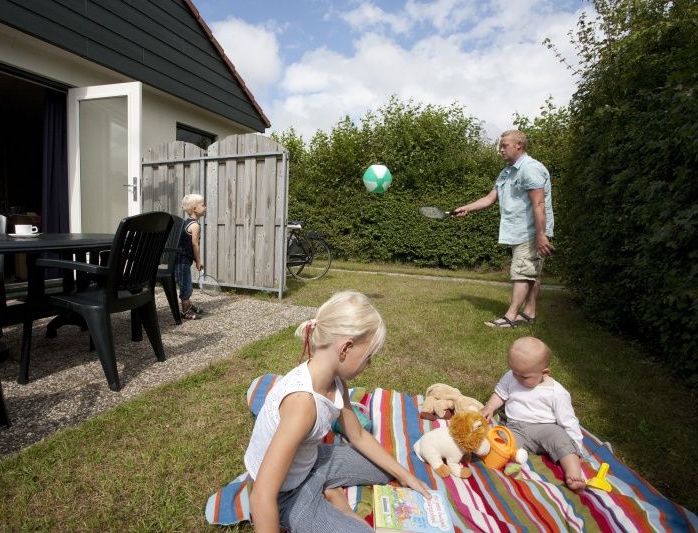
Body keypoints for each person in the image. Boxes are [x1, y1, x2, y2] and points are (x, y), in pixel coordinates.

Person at [245, 290, 431, 532]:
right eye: (369, 356)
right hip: (285, 492)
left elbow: (358, 435)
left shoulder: (336, 382)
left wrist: (405, 475)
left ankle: (327, 489)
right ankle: (337, 507)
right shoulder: (302, 405)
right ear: (345, 348)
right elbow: (261, 497)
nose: (369, 364)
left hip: (311, 462)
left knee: (386, 471)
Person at [453, 129, 553, 328]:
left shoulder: (530, 168)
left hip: (531, 230)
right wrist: (467, 208)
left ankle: (511, 316)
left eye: (504, 145)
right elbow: (490, 198)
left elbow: (539, 203)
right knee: (530, 272)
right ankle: (529, 313)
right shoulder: (507, 171)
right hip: (519, 230)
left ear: (519, 146)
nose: (500, 149)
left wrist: (541, 235)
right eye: (500, 145)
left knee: (521, 272)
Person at [481, 336, 586, 492]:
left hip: (545, 429)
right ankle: (510, 459)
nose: (517, 378)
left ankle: (574, 473)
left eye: (524, 376)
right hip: (515, 428)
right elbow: (500, 394)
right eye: (514, 372)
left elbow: (569, 422)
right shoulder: (512, 376)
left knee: (561, 438)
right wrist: (489, 407)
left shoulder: (556, 392)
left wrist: (576, 447)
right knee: (496, 441)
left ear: (544, 372)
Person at [175, 193, 206, 320]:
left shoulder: (187, 222)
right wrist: (198, 261)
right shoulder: (195, 225)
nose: (205, 207)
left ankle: (188, 305)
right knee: (186, 285)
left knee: (185, 283)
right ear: (194, 209)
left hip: (181, 259)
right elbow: (194, 244)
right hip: (182, 261)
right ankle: (185, 311)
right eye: (203, 205)